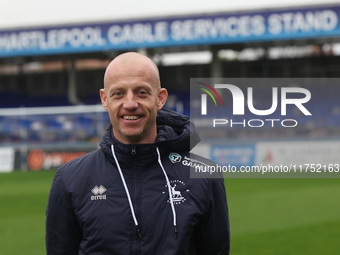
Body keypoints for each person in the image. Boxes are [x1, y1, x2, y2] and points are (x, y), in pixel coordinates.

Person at [45, 52, 230, 254]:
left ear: (160, 99)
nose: (130, 103)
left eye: (142, 92)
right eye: (118, 93)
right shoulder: (69, 179)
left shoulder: (204, 176)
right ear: (104, 99)